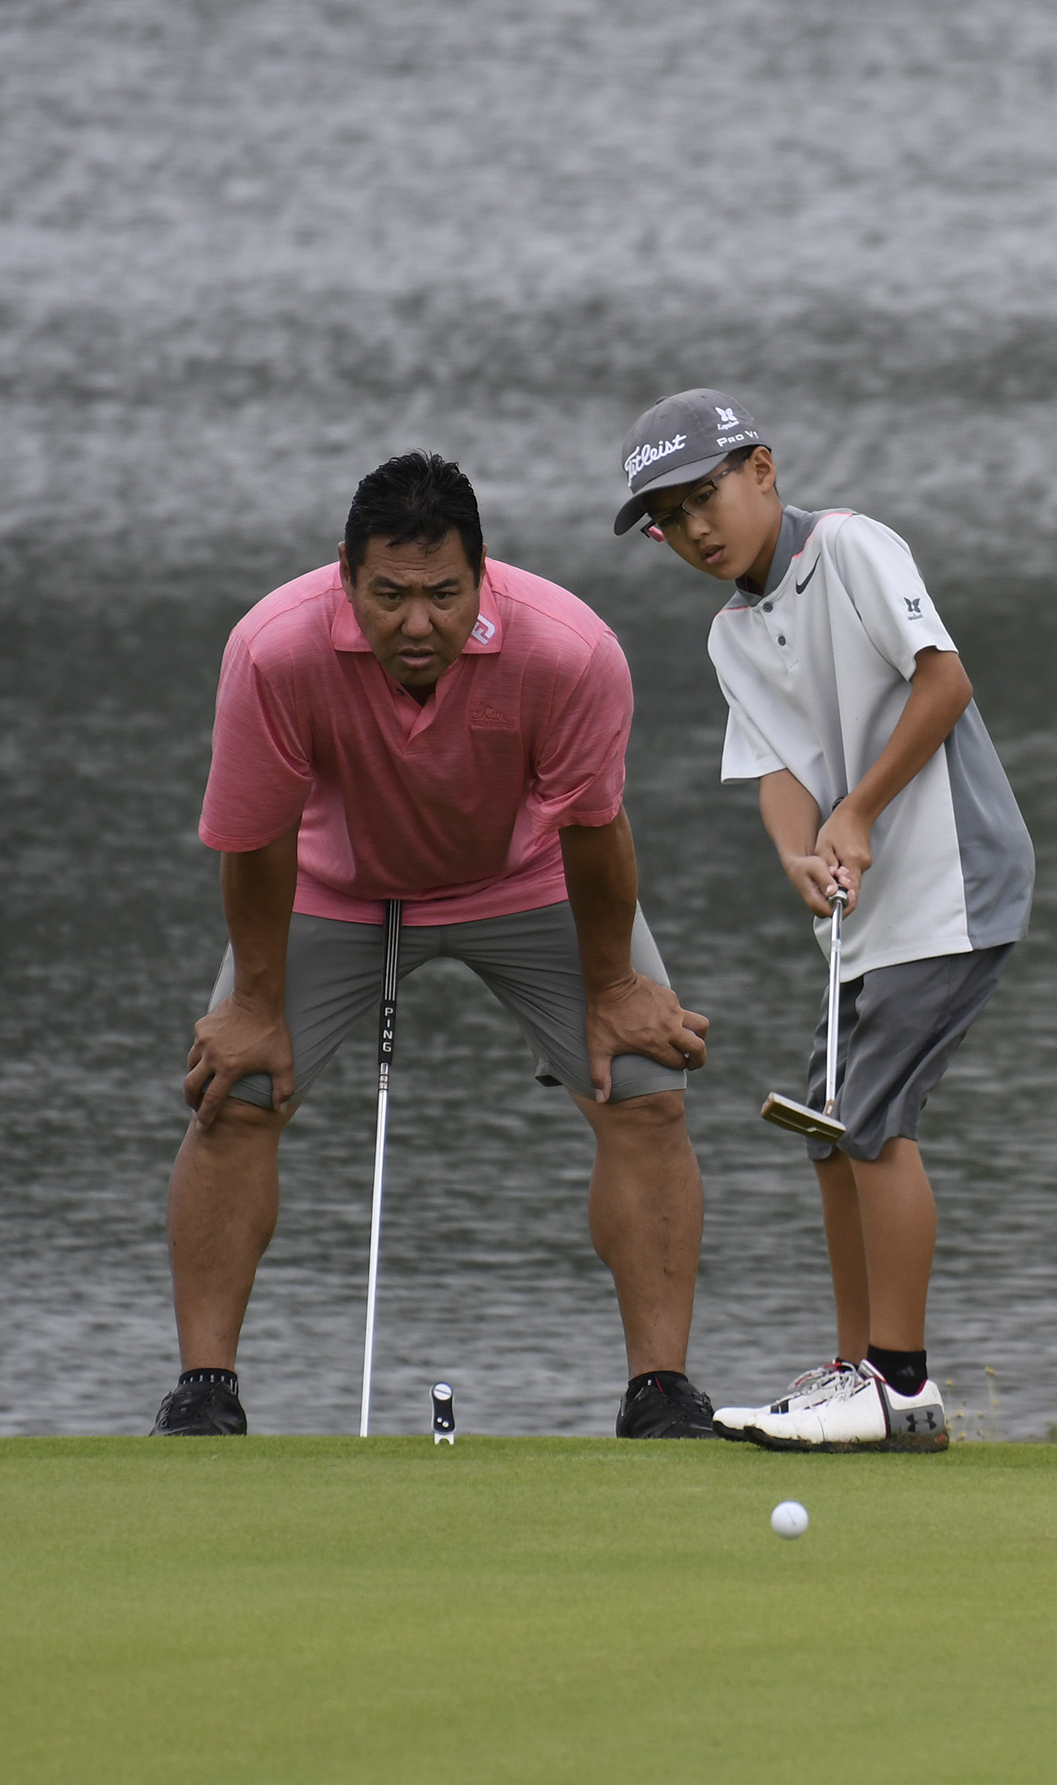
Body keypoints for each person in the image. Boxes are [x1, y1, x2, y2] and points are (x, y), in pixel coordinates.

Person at [153, 452, 719, 1440]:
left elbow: (593, 825)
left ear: (483, 573)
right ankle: (205, 1388)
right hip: (332, 885)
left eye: (445, 595)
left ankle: (660, 1390)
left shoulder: (569, 650)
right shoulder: (273, 651)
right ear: (344, 571)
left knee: (645, 1085)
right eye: (390, 595)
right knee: (232, 1096)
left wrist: (616, 983)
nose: (418, 624)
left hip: (529, 876)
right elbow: (253, 838)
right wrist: (254, 1003)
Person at [613, 390, 1033, 1452]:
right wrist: (800, 848)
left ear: (762, 469)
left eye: (706, 495)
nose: (695, 529)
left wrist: (859, 808)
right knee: (827, 1121)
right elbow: (779, 771)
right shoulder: (732, 632)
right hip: (870, 905)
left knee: (873, 1116)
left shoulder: (850, 548)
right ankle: (857, 1374)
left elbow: (943, 681)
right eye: (669, 518)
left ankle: (898, 1386)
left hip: (956, 879)